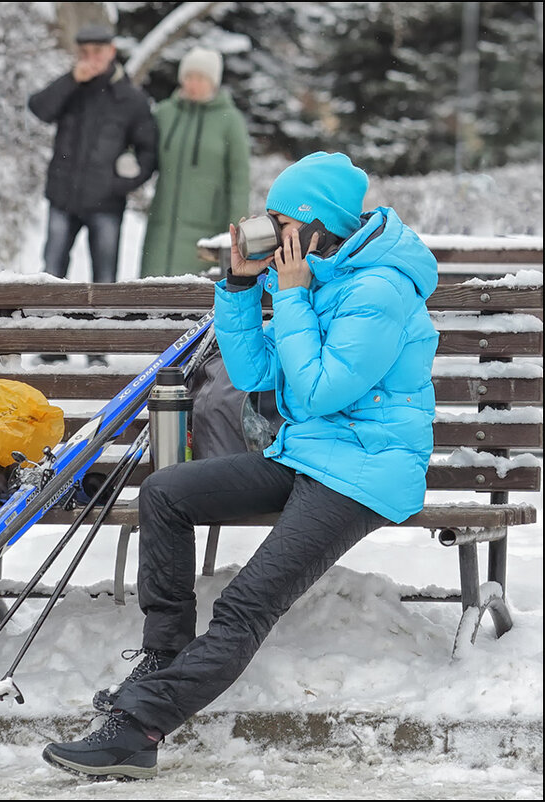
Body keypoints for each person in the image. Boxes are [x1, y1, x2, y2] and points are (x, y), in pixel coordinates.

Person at [41, 151, 439, 780]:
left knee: (245, 604)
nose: (270, 232)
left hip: (367, 469)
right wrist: (239, 288)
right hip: (307, 454)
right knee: (166, 493)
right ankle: (164, 654)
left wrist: (293, 297)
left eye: (280, 221)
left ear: (316, 225)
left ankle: (139, 728)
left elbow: (313, 394)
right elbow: (258, 379)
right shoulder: (321, 275)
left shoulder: (378, 289)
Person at [28, 24, 158, 366]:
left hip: (106, 204)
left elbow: (149, 154)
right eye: (84, 52)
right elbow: (39, 109)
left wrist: (120, 185)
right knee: (52, 272)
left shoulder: (130, 98)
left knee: (104, 278)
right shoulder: (71, 87)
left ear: (112, 52)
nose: (91, 59)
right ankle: (49, 348)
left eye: (97, 52)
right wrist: (72, 79)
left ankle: (97, 349)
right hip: (63, 197)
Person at [140, 46, 250, 278]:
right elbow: (142, 152)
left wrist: (235, 231)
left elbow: (239, 178)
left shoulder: (230, 121)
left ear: (213, 82)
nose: (193, 83)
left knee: (194, 295)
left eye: (201, 78)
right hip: (162, 225)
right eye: (189, 77)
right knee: (152, 290)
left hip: (206, 229)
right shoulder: (164, 113)